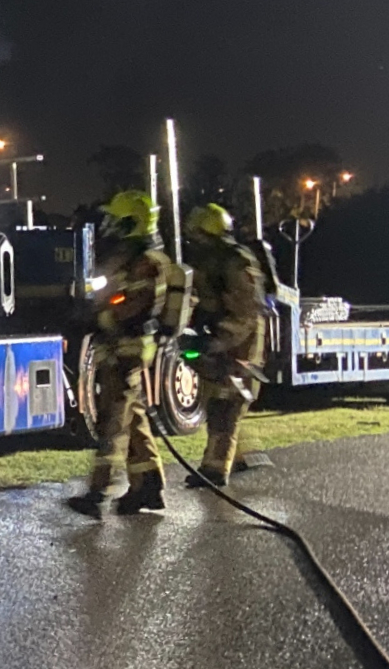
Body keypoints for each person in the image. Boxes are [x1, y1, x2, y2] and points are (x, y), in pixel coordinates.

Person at [69, 191, 176, 519]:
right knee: (135, 417)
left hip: (129, 348)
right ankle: (149, 486)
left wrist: (104, 317)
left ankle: (98, 493)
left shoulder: (148, 261)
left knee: (113, 422)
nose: (112, 226)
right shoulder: (132, 257)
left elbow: (138, 305)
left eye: (118, 220)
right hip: (119, 347)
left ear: (134, 221)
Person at [182, 203, 267, 487]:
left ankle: (216, 471)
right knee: (218, 404)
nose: (194, 241)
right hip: (220, 337)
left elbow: (246, 311)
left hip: (240, 342)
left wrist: (219, 340)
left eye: (198, 235)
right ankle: (225, 462)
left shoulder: (236, 262)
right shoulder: (211, 260)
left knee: (228, 405)